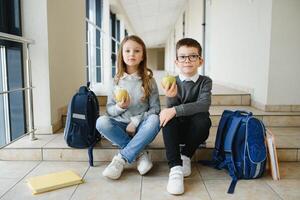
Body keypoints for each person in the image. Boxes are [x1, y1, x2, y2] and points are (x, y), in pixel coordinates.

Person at [96, 35, 161, 180]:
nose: (132, 54)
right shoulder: (115, 81)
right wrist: (119, 107)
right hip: (120, 126)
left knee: (155, 119)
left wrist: (136, 121)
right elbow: (109, 110)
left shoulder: (149, 81)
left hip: (141, 128)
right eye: (128, 51)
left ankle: (120, 159)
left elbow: (155, 109)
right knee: (101, 121)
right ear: (121, 55)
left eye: (137, 51)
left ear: (143, 55)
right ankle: (140, 153)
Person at [159, 38, 212, 195]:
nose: (187, 60)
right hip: (177, 130)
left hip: (195, 131)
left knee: (203, 120)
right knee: (167, 118)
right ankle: (175, 168)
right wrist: (171, 98)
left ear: (200, 61)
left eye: (192, 56)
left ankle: (186, 155)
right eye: (182, 57)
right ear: (176, 61)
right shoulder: (173, 81)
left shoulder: (205, 82)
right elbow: (170, 110)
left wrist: (174, 110)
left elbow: (203, 105)